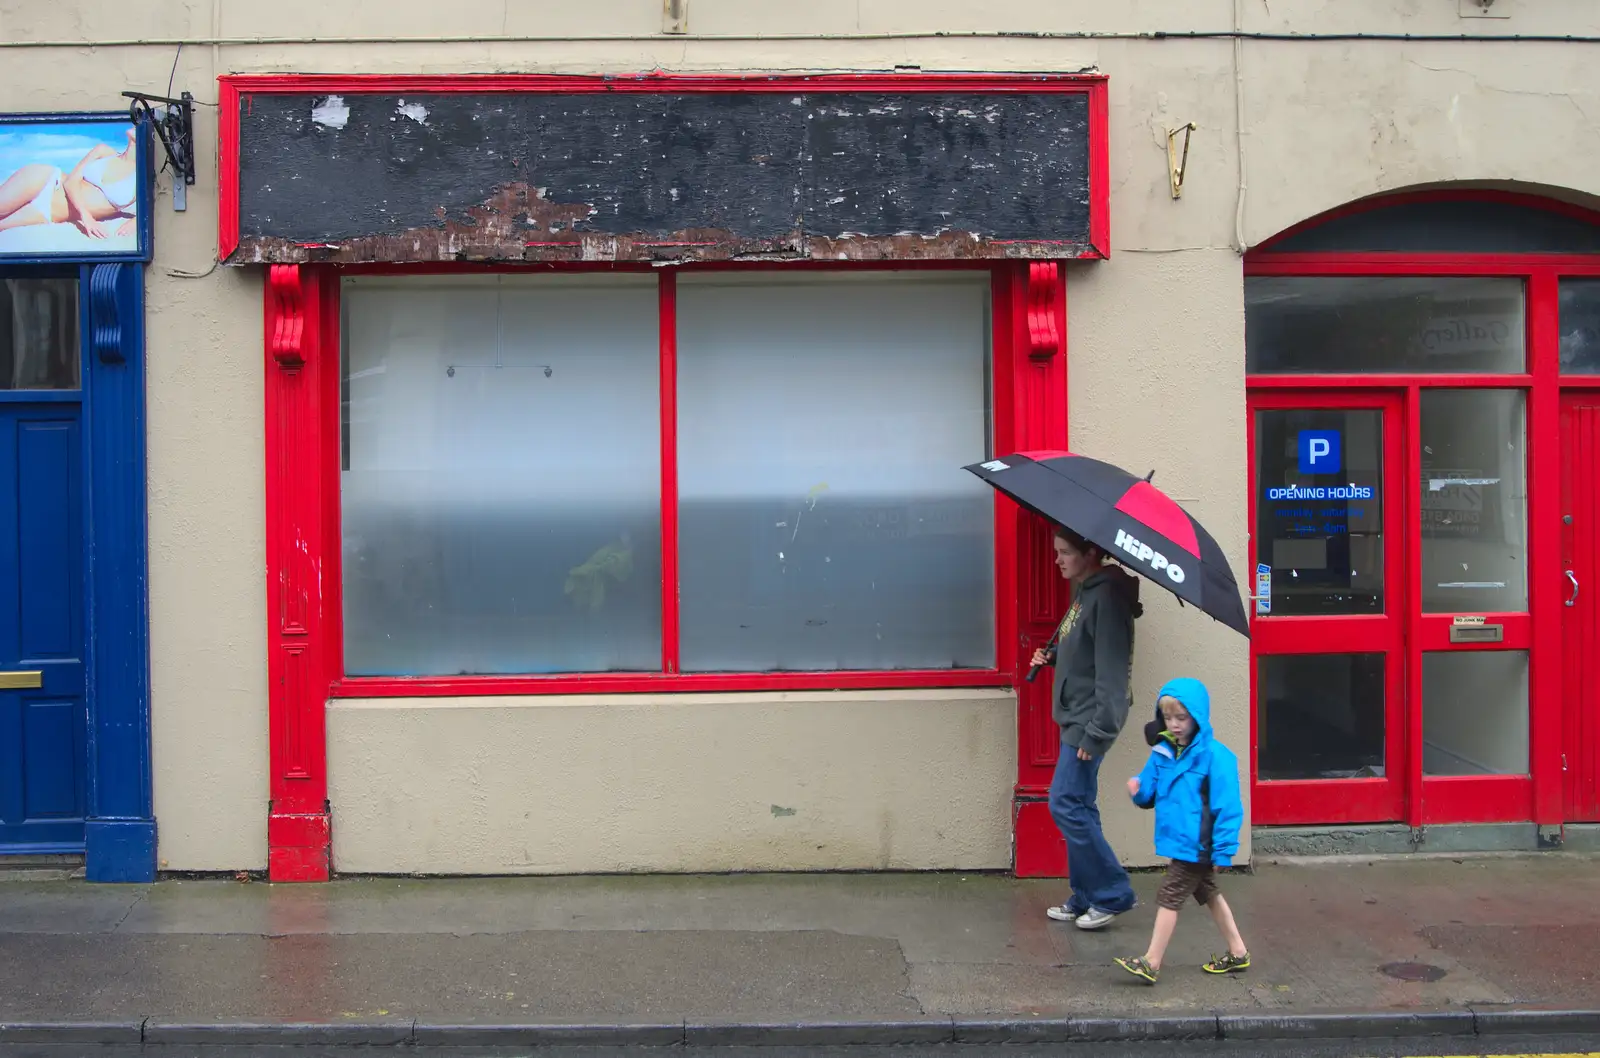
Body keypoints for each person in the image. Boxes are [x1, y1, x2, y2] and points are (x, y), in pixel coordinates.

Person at [1032, 526, 1142, 931]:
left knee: (1064, 802)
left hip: (1089, 721)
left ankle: (1113, 892)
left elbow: (1112, 673)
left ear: (1090, 552)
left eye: (1064, 553)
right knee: (1080, 804)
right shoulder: (1087, 591)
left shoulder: (1107, 598)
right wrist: (1054, 654)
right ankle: (1085, 895)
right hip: (1075, 714)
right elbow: (1081, 641)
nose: (1057, 560)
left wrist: (1098, 733)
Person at [1114, 677, 1250, 985]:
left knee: (1169, 896)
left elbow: (1227, 806)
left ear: (1197, 716)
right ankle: (1238, 951)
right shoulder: (1163, 752)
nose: (1174, 724)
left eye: (1182, 717)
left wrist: (1224, 849)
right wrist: (1137, 790)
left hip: (1197, 844)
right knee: (1209, 893)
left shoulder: (1215, 756)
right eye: (1168, 717)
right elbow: (1149, 791)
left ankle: (1151, 962)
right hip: (1182, 842)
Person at [0, 126, 138, 239]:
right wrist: (87, 217)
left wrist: (136, 221)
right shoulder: (104, 151)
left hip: (49, 214)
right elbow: (71, 182)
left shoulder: (141, 177)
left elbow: (155, 207)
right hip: (47, 181)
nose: (138, 124)